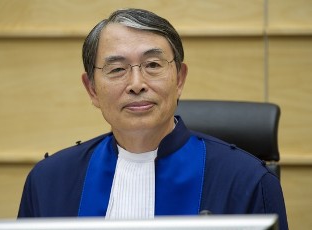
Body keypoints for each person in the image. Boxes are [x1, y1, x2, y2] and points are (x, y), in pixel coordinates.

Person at [18, 8, 288, 229]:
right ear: (92, 89)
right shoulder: (48, 182)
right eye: (117, 69)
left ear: (179, 79)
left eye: (153, 65)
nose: (137, 84)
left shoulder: (248, 182)